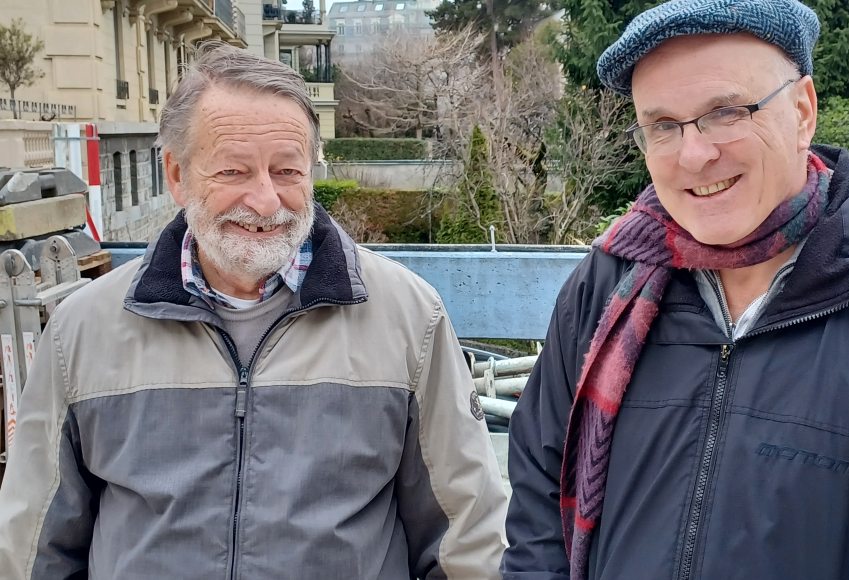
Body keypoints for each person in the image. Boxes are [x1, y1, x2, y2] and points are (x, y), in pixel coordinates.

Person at [502, 1, 849, 578]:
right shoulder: (604, 287)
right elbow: (539, 506)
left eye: (725, 112)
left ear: (802, 110)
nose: (695, 155)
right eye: (663, 125)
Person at [0, 42, 507, 579]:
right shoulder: (83, 331)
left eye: (287, 171)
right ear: (177, 174)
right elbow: (34, 549)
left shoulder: (408, 319)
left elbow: (466, 540)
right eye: (234, 172)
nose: (266, 200)